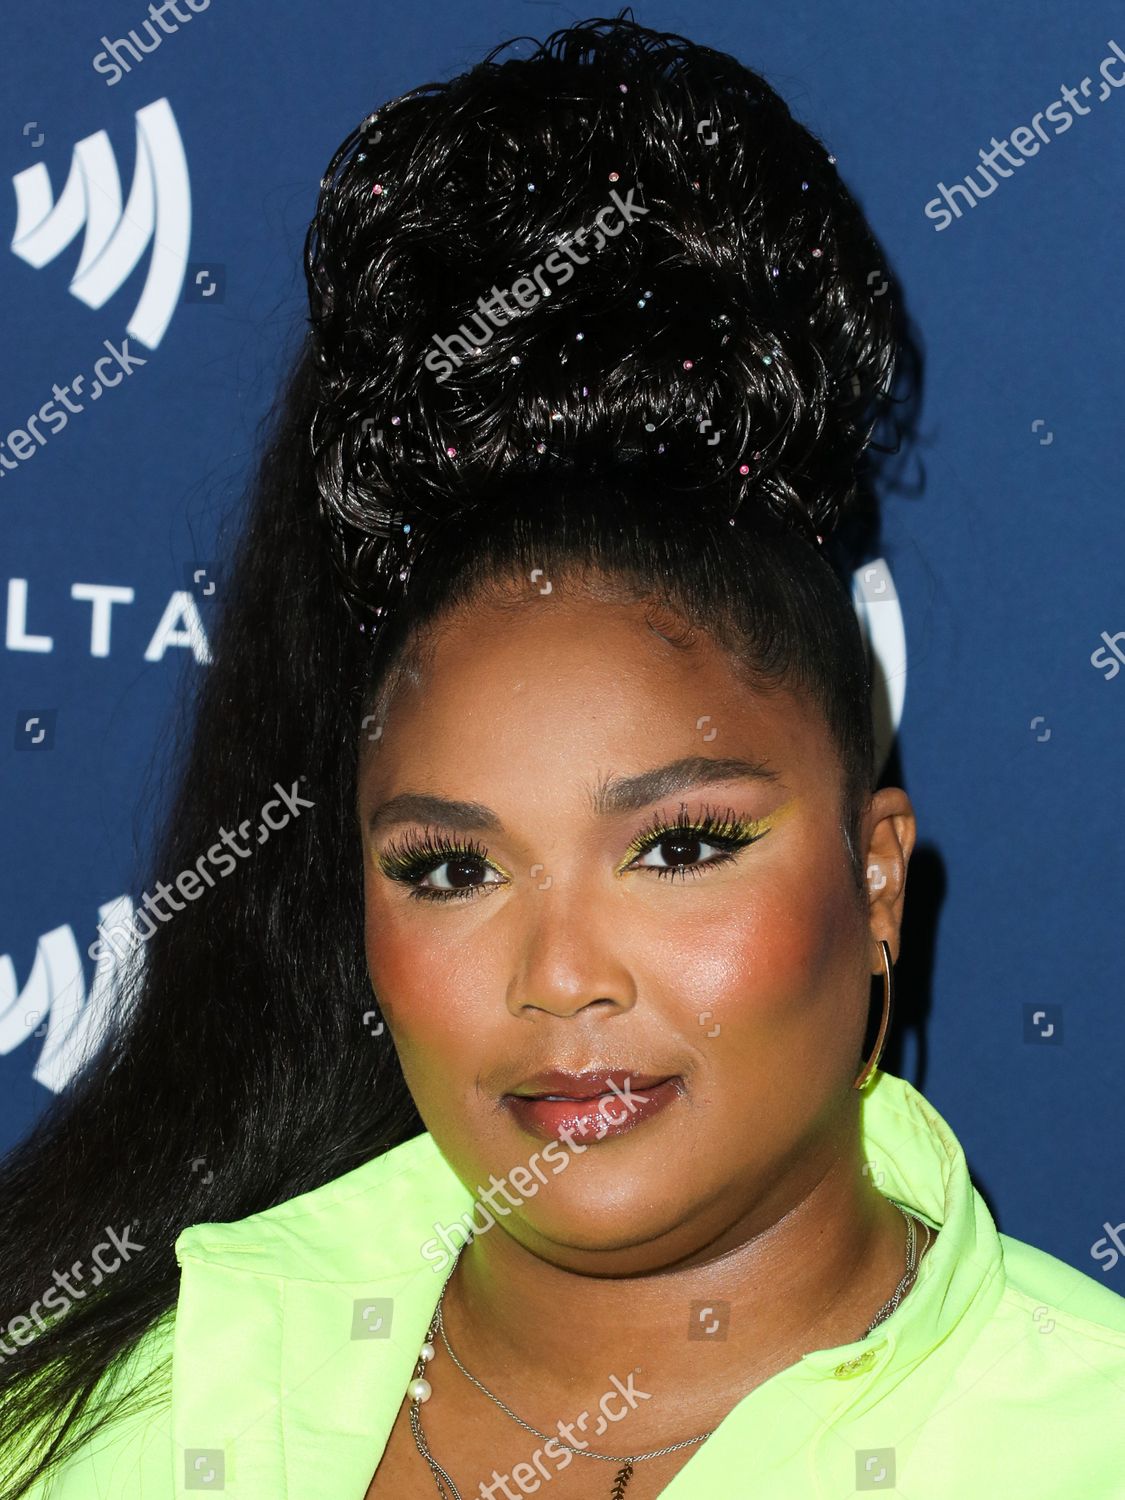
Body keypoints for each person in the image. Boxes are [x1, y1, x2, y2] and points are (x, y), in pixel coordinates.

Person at [1, 12, 1123, 1499]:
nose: (558, 973)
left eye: (678, 845)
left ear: (873, 884)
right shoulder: (103, 1403)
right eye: (450, 868)